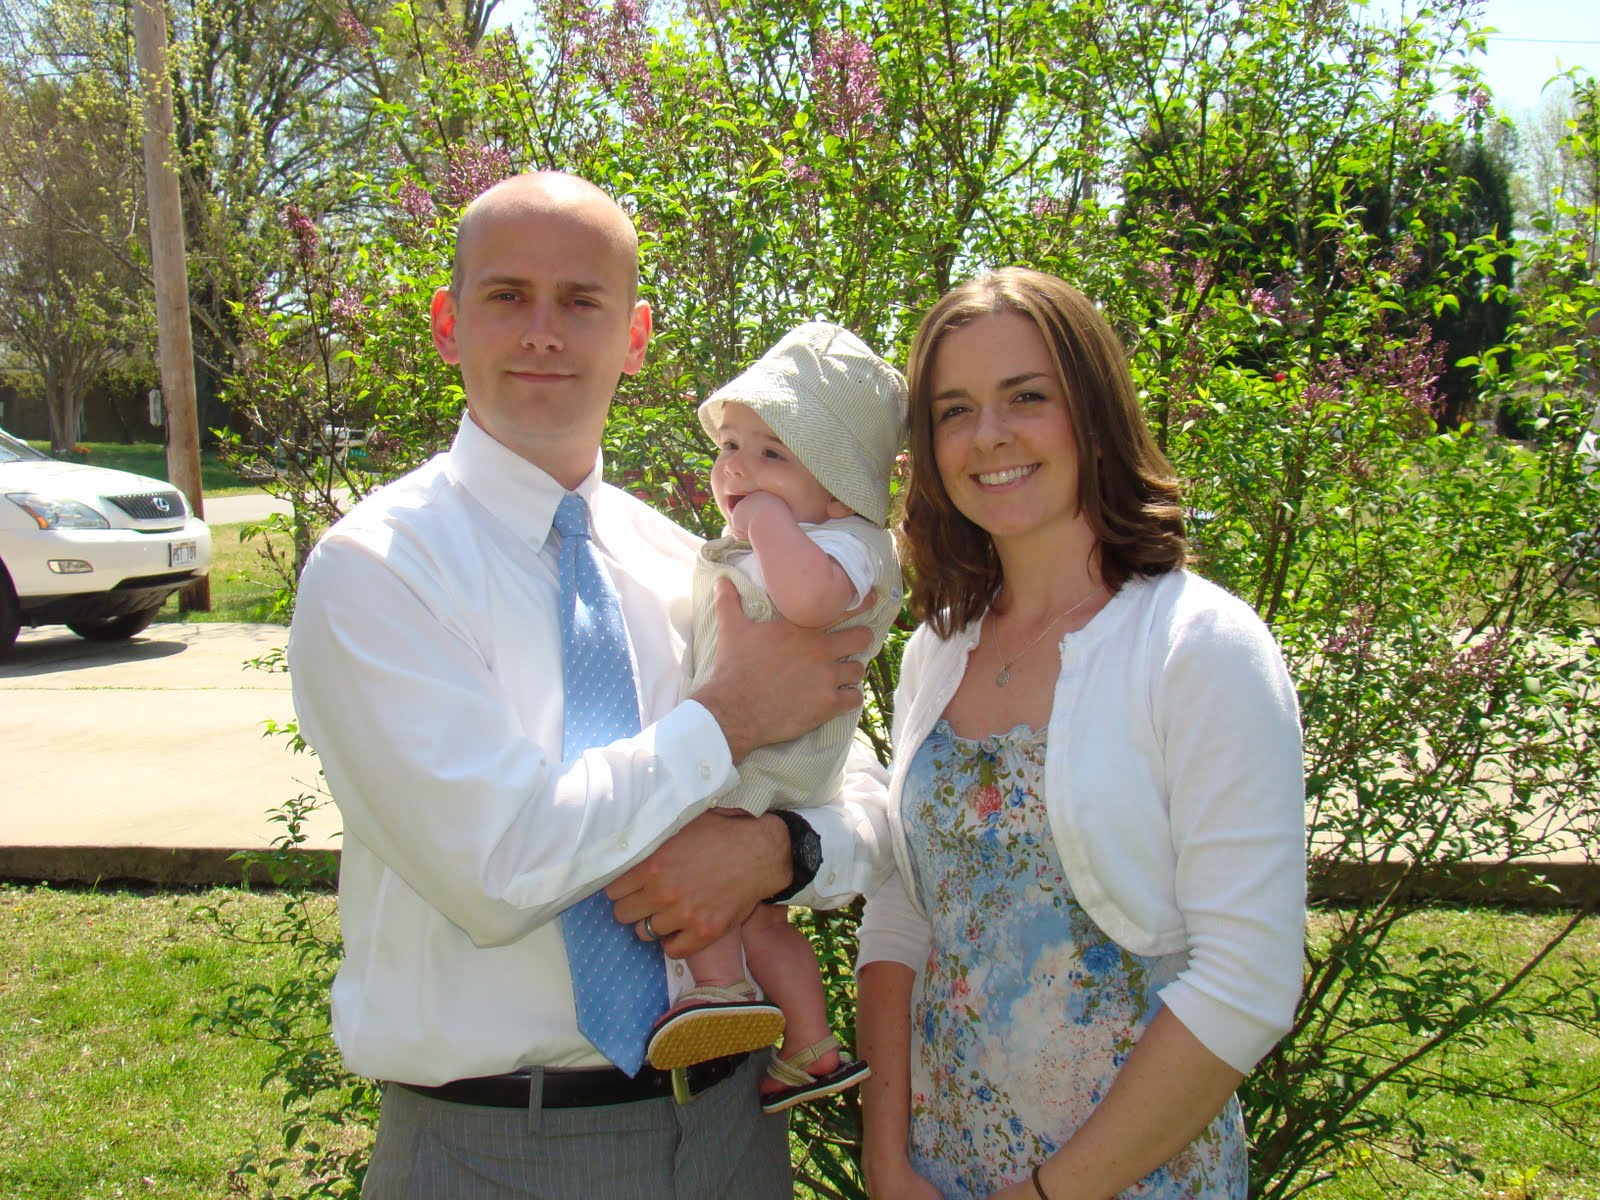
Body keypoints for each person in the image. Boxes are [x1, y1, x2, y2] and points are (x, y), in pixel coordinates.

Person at [287, 171, 892, 1199]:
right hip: (492, 1151)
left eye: (580, 301)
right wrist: (728, 717)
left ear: (635, 336)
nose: (543, 332)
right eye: (506, 295)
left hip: (732, 1133)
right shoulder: (376, 571)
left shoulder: (693, 563)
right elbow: (498, 868)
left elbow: (865, 794)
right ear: (448, 323)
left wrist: (776, 852)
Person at [855, 267, 1305, 1200]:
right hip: (938, 1174)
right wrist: (887, 1156)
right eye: (953, 411)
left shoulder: (1198, 646)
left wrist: (1047, 1194)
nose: (989, 434)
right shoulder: (937, 651)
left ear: (1094, 415)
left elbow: (1249, 980)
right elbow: (905, 907)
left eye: (1027, 396)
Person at [643, 322, 906, 1116]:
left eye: (771, 454)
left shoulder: (851, 543)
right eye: (730, 446)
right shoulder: (794, 532)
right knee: (762, 916)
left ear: (842, 486)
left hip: (776, 754)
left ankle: (718, 988)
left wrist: (763, 522)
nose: (737, 470)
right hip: (761, 751)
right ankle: (812, 1048)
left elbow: (812, 601)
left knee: (680, 833)